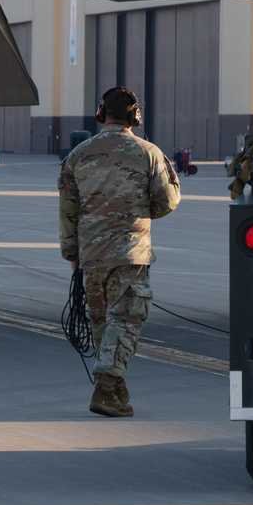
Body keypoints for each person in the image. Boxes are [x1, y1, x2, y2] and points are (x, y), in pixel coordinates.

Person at [58, 86, 181, 417]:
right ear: (135, 116)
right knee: (125, 320)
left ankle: (115, 391)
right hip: (130, 254)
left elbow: (67, 211)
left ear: (101, 114)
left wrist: (72, 254)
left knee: (103, 323)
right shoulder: (148, 153)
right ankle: (106, 385)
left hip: (92, 255)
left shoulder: (78, 155)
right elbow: (167, 202)